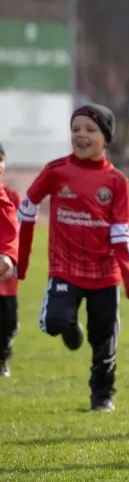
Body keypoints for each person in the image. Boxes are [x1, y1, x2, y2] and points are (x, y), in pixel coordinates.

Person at [16, 105, 129, 411]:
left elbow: (122, 230)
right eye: (76, 129)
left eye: (90, 130)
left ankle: (102, 396)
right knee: (54, 321)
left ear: (105, 138)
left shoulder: (117, 182)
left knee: (103, 340)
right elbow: (28, 206)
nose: (81, 136)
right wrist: (19, 257)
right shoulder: (56, 171)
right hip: (65, 269)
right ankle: (70, 327)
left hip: (104, 272)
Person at [0, 144, 18, 378]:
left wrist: (11, 258)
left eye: (1, 159)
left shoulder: (11, 198)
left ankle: (2, 358)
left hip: (6, 275)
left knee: (7, 322)